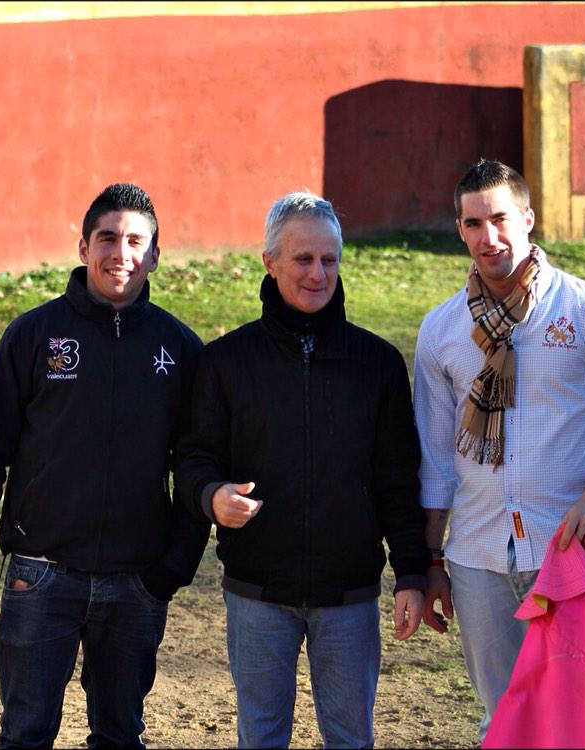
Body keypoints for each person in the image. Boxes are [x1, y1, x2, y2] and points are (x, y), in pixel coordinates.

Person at [0, 183, 210, 749]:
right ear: (84, 247)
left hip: (136, 584)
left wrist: (174, 566)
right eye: (108, 238)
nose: (121, 253)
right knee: (25, 735)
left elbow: (196, 465)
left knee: (119, 737)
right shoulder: (32, 336)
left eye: (136, 241)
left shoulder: (181, 349)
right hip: (40, 575)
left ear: (157, 255)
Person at [414, 158, 585, 740]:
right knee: (503, 719)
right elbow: (434, 456)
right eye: (473, 223)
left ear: (528, 217)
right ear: (459, 229)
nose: (488, 237)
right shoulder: (442, 329)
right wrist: (429, 562)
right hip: (475, 556)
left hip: (566, 550)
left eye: (500, 218)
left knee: (582, 719)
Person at [175, 191, 429, 749]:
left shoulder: (378, 364)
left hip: (351, 597)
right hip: (257, 593)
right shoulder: (225, 362)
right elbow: (193, 459)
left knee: (350, 738)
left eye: (330, 260)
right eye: (303, 259)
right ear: (269, 261)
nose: (318, 274)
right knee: (261, 737)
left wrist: (412, 573)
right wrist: (212, 496)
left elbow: (398, 480)